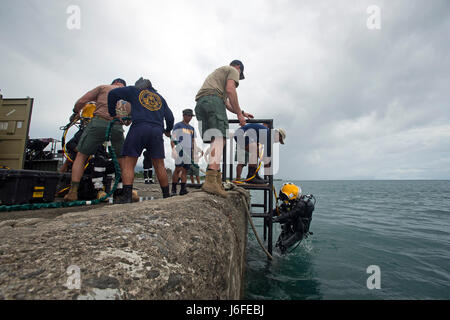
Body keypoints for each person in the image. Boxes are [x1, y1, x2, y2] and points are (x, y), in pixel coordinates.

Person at [107, 77, 174, 202]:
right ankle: (166, 196)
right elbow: (170, 117)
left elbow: (112, 93)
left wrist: (113, 113)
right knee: (160, 165)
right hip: (157, 130)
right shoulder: (160, 98)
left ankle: (127, 197)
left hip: (139, 127)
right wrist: (167, 130)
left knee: (129, 162)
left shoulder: (134, 91)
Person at [194, 60, 253, 197]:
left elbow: (226, 103)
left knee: (215, 138)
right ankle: (211, 181)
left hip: (201, 103)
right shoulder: (232, 70)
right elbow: (230, 90)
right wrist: (239, 115)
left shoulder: (217, 76)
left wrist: (241, 112)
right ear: (238, 67)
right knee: (220, 138)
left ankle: (216, 180)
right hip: (213, 102)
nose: (238, 77)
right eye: (240, 74)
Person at [64, 78, 130, 202]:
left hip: (99, 122)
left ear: (113, 83)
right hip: (117, 127)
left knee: (81, 156)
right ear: (123, 85)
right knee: (123, 161)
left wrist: (75, 111)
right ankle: (126, 193)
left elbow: (82, 101)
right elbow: (127, 121)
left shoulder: (103, 88)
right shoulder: (126, 95)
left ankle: (73, 192)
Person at [273, 183, 315, 254]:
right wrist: (268, 214)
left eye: (285, 198)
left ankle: (281, 262)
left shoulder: (301, 205)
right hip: (290, 225)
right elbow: (279, 210)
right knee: (278, 244)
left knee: (283, 246)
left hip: (299, 231)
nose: (284, 201)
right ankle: (276, 255)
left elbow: (291, 214)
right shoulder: (291, 202)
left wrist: (275, 219)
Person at [171, 109, 198, 196]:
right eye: (188, 116)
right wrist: (173, 149)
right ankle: (174, 189)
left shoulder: (192, 128)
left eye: (191, 116)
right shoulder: (178, 125)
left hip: (189, 150)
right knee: (178, 169)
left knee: (185, 170)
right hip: (180, 149)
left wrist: (194, 153)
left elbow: (193, 141)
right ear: (184, 115)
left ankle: (183, 189)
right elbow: (173, 138)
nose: (190, 118)